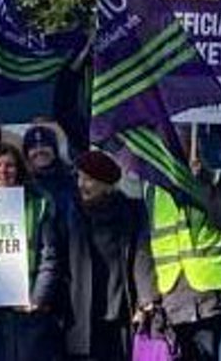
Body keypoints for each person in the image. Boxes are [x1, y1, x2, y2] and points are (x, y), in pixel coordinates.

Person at [144, 128, 221, 361]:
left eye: (181, 142)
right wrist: (148, 295)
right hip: (171, 293)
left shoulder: (215, 178)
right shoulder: (153, 188)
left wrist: (203, 182)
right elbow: (146, 244)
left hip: (206, 292)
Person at [0, 145, 66, 361]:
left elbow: (49, 258)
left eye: (10, 165)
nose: (3, 171)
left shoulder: (38, 203)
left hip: (27, 306)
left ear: (19, 170)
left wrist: (37, 299)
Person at [63, 150, 155, 360]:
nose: (81, 184)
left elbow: (142, 256)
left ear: (107, 184)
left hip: (120, 311)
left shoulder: (131, 211)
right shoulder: (70, 213)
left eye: (88, 180)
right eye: (79, 177)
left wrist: (145, 299)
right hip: (79, 312)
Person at [24, 125, 77, 207]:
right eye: (33, 147)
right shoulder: (23, 183)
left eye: (45, 145)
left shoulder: (74, 179)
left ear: (55, 150)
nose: (39, 150)